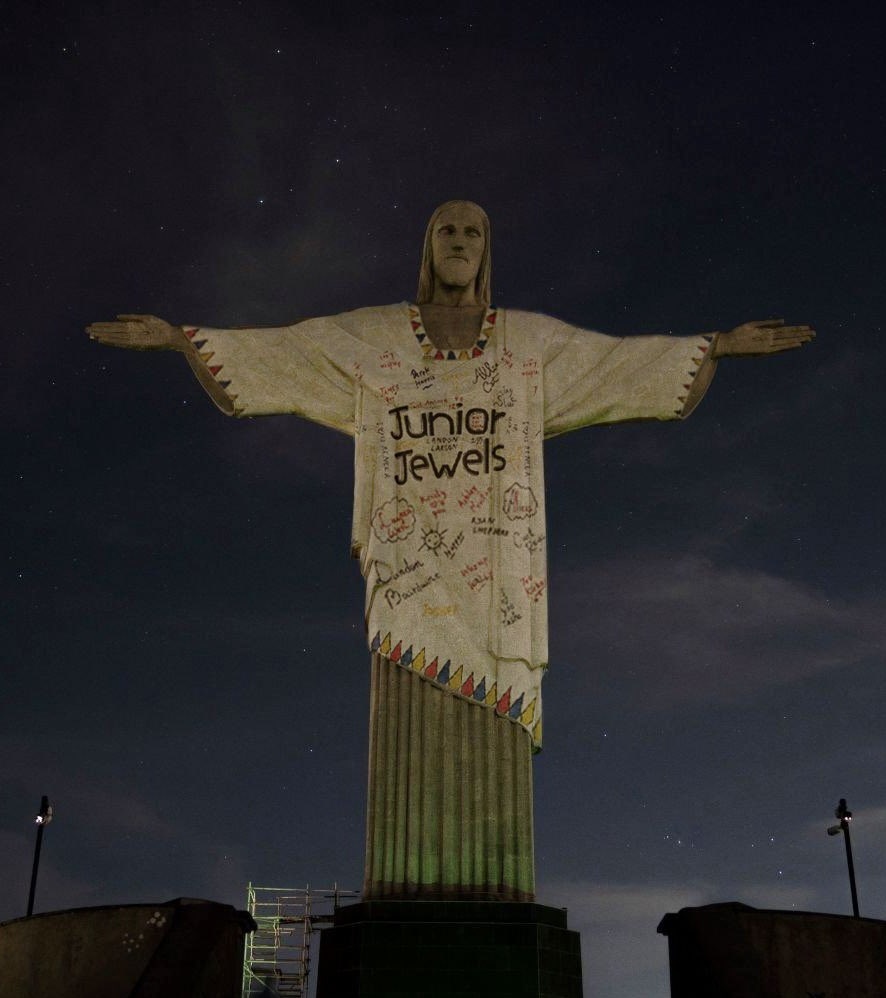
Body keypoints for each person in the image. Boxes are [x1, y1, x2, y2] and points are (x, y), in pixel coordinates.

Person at [88, 200, 814, 902]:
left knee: (493, 734)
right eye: (447, 231)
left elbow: (615, 363)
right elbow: (287, 351)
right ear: (429, 247)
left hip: (499, 579)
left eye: (473, 231)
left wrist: (717, 346)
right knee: (406, 724)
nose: (460, 242)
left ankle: (493, 890)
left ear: (486, 250)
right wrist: (180, 339)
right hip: (410, 570)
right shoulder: (375, 338)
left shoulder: (529, 345)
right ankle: (404, 885)